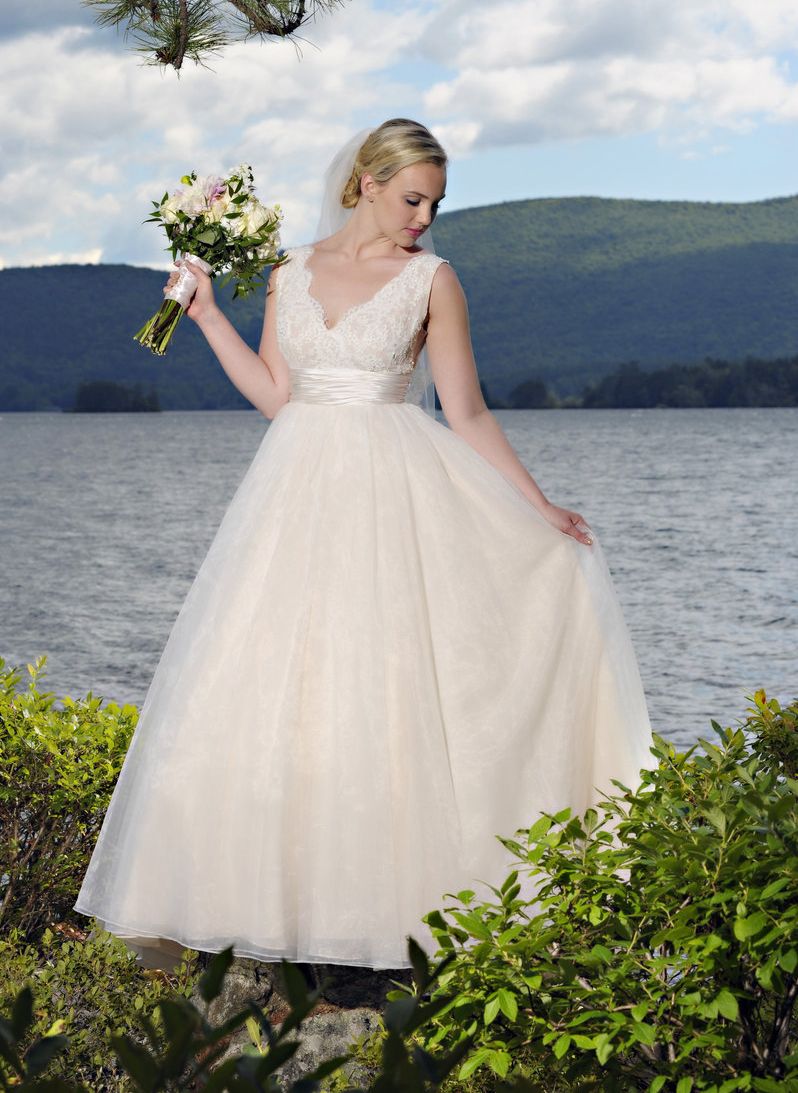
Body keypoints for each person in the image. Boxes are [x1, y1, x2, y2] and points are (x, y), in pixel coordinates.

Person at [76, 119, 651, 970]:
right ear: (366, 183)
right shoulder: (289, 271)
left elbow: (467, 412)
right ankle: (273, 907)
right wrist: (204, 315)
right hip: (293, 496)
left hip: (393, 495)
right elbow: (281, 396)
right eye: (413, 199)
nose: (425, 218)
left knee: (387, 690)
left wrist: (538, 508)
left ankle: (393, 913)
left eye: (436, 205)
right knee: (275, 688)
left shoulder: (433, 281)